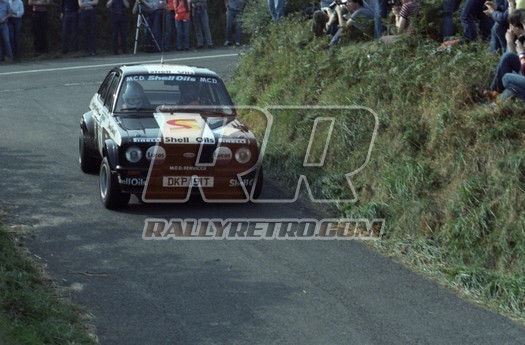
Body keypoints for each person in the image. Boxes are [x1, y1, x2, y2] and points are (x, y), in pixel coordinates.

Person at [478, 10, 525, 101]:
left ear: (518, 26)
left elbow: (523, 71)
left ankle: (497, 102)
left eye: (511, 25)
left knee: (507, 78)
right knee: (508, 57)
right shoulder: (522, 38)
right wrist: (510, 42)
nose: (510, 28)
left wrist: (521, 53)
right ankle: (494, 92)